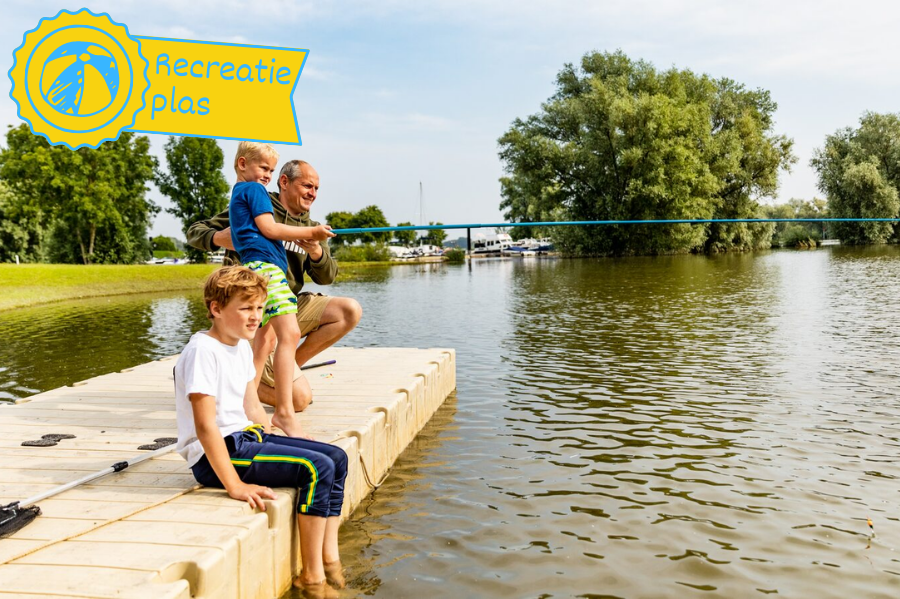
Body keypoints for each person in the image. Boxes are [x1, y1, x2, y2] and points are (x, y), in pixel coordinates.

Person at [174, 266, 346, 597]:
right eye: (246, 308)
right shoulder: (202, 351)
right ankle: (311, 578)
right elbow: (205, 425)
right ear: (216, 309)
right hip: (217, 456)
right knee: (317, 468)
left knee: (335, 457)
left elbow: (251, 405)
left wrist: (284, 440)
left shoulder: (239, 345)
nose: (256, 318)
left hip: (246, 439)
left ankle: (330, 558)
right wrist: (234, 484)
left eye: (259, 309)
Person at [187, 159, 362, 412]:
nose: (312, 193)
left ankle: (287, 366)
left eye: (316, 188)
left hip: (286, 305)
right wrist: (221, 238)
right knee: (300, 400)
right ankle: (239, 384)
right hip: (251, 311)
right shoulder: (255, 203)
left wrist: (316, 252)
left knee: (349, 310)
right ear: (284, 182)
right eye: (307, 185)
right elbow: (195, 231)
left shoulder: (313, 228)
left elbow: (328, 277)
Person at [228, 142, 335, 438]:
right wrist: (311, 233)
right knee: (288, 335)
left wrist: (313, 244)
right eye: (263, 168)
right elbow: (271, 230)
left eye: (271, 170)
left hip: (255, 269)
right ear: (242, 164)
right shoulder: (254, 191)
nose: (268, 176)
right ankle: (285, 414)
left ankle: (249, 407)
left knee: (263, 342)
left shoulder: (239, 193)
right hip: (267, 269)